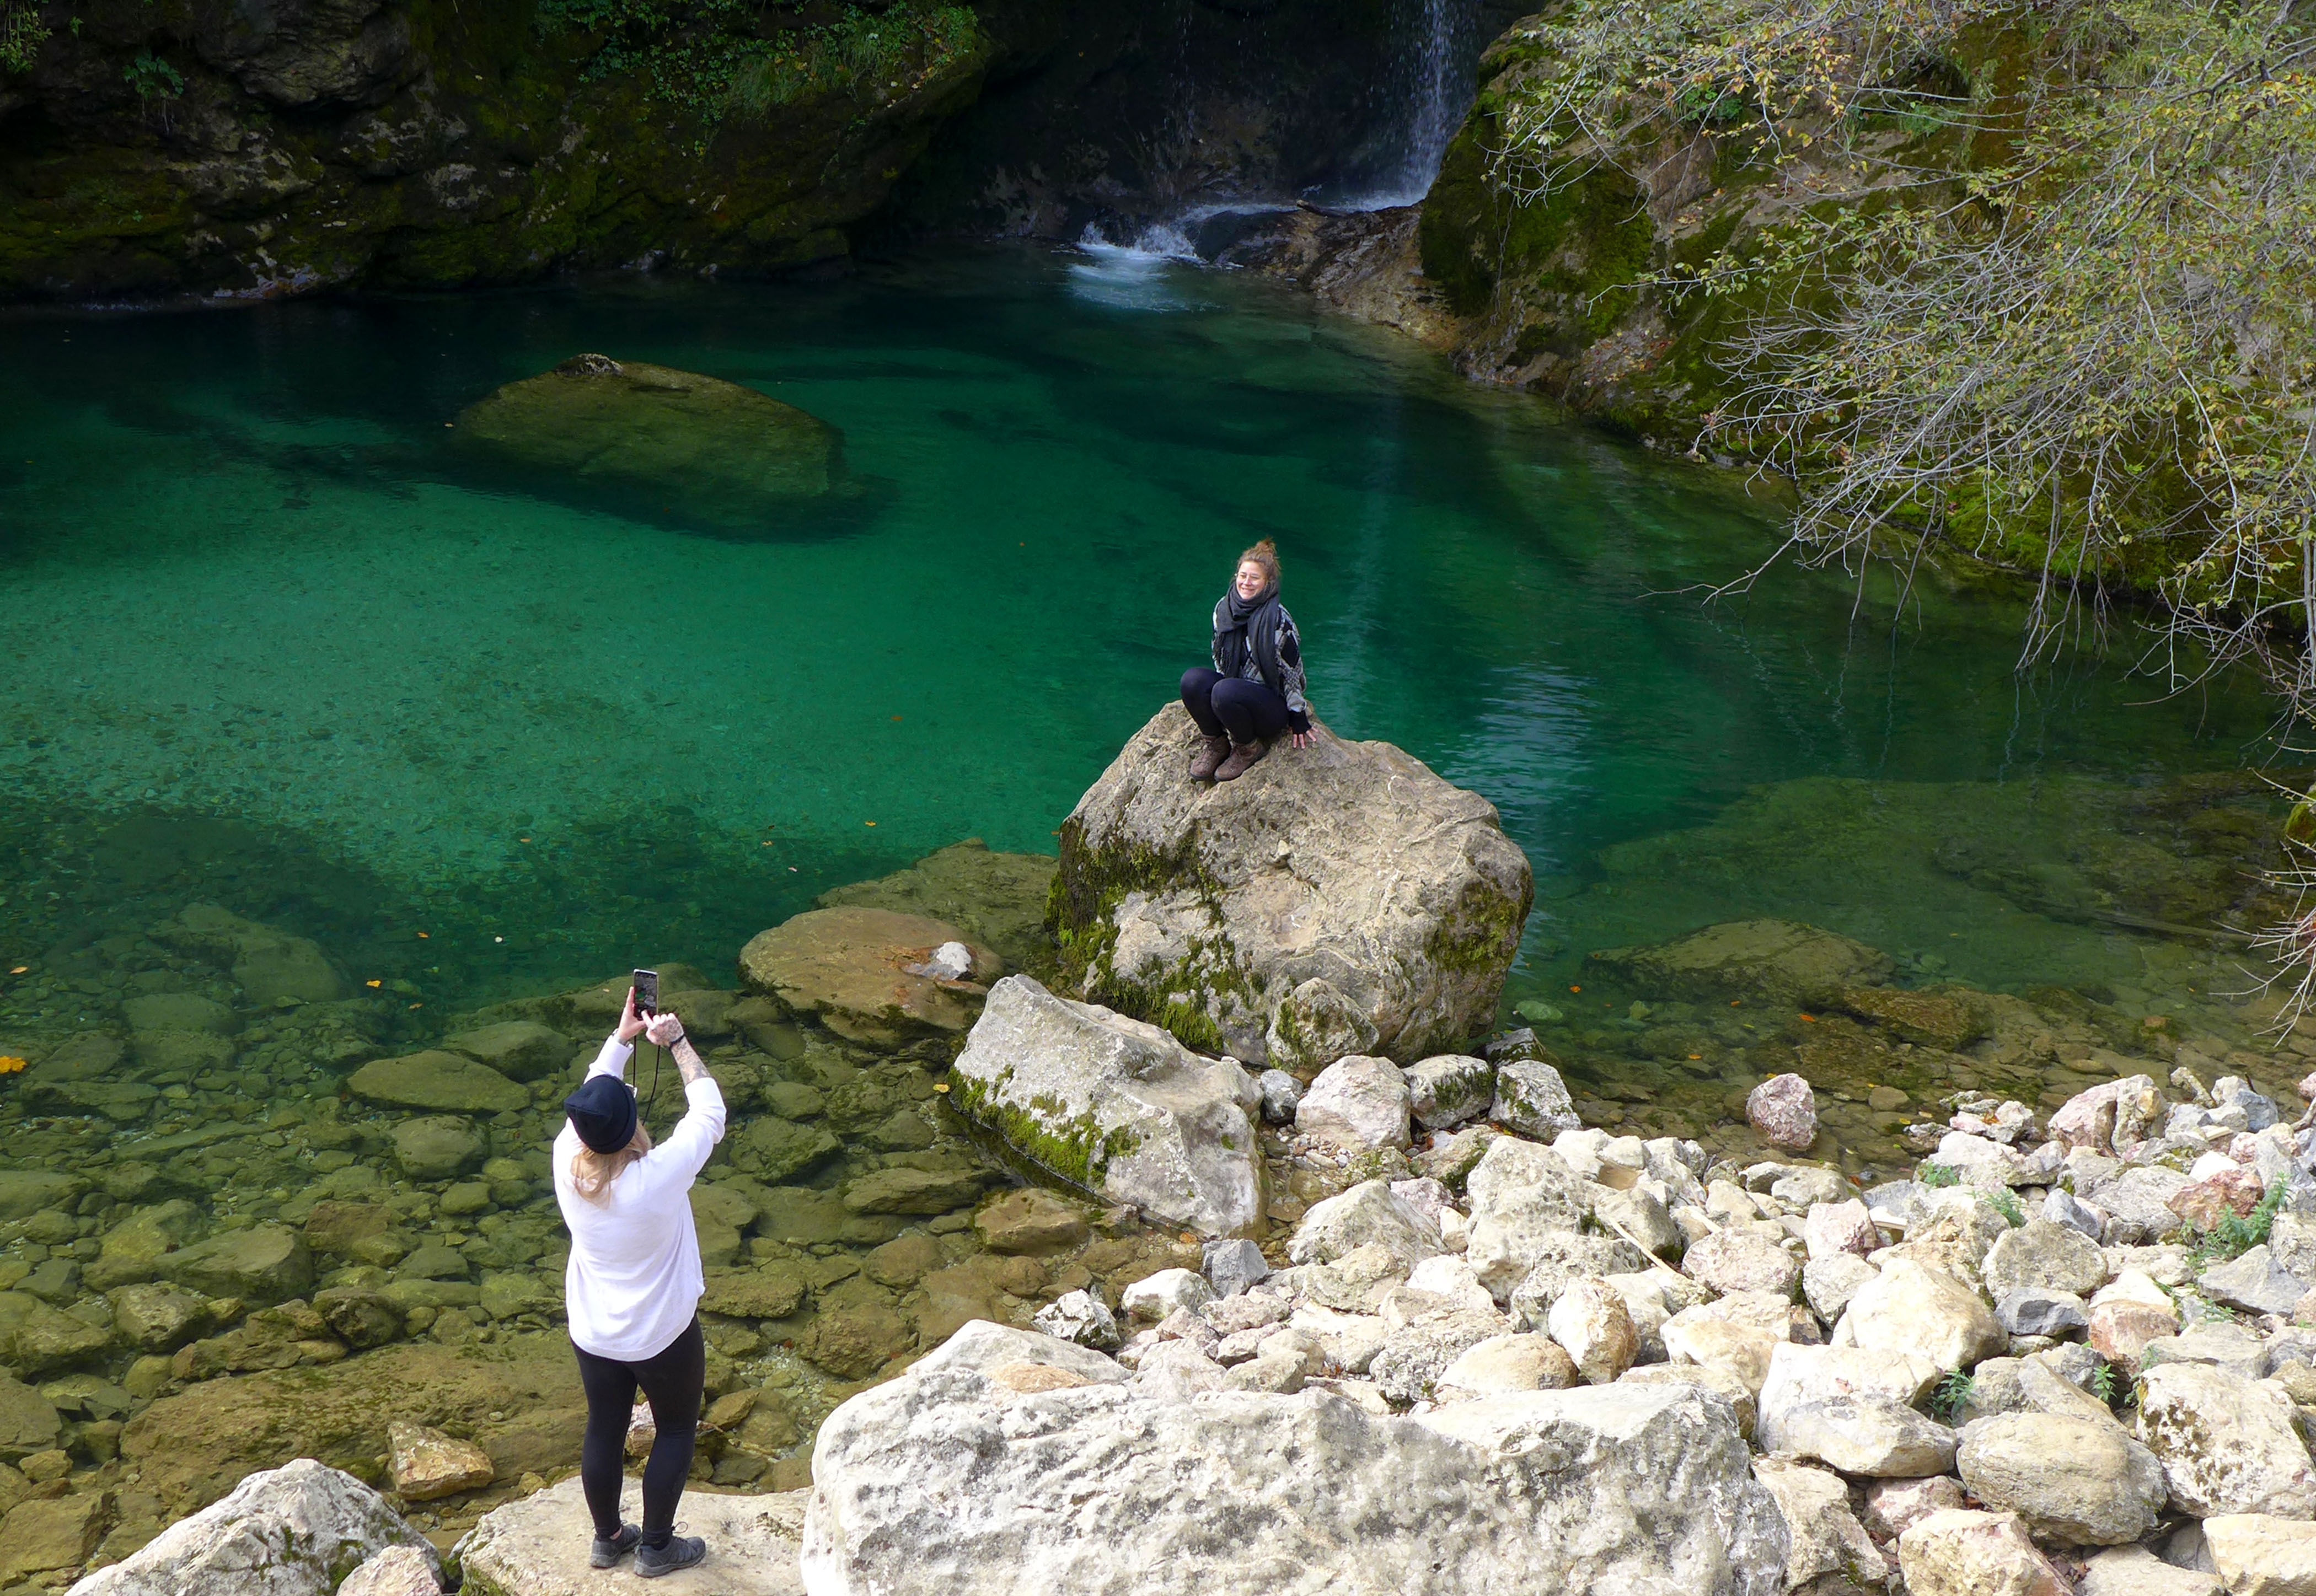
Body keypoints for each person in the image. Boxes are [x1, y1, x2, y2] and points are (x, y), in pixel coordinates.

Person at [554, 988, 726, 1578]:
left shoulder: (565, 1159)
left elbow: (591, 1103)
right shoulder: (655, 1178)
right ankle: (656, 1548)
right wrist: (675, 1042)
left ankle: (608, 1540)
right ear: (633, 1128)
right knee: (675, 1428)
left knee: (604, 1426)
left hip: (595, 1331)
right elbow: (709, 1113)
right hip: (662, 1335)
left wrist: (619, 1040)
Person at [1180, 537, 1314, 782]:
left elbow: (1292, 672)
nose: (1247, 583)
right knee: (1192, 681)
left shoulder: (1279, 621)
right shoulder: (1224, 609)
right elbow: (1218, 653)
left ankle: (1247, 748)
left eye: (1255, 578)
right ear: (1236, 576)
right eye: (1243, 576)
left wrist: (1298, 715)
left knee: (1224, 691)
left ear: (1268, 583)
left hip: (1269, 705)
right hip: (1235, 692)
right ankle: (1216, 743)